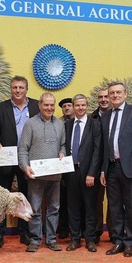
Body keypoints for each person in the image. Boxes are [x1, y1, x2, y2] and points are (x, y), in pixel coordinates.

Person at [0, 75, 39, 248]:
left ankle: (24, 233)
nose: (17, 90)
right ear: (11, 89)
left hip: (28, 160)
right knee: (2, 199)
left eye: (21, 88)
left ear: (26, 89)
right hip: (6, 159)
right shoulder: (0, 108)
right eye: (15, 87)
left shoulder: (35, 106)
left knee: (26, 197)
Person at [99, 81, 132, 258]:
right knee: (114, 207)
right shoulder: (105, 116)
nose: (115, 95)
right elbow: (104, 146)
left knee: (131, 206)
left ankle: (130, 241)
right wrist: (103, 170)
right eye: (112, 93)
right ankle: (118, 240)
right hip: (112, 167)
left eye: (118, 92)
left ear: (125, 94)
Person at [18, 92, 66, 252]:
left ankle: (51, 239)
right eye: (46, 105)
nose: (49, 108)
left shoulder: (60, 124)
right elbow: (22, 150)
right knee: (35, 209)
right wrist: (25, 167)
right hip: (35, 176)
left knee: (54, 209)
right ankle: (35, 240)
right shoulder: (30, 124)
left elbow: (63, 146)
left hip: (55, 176)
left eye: (52, 105)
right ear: (39, 105)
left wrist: (62, 154)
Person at [64, 94, 101, 253]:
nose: (80, 108)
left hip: (88, 173)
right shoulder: (67, 124)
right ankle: (75, 239)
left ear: (87, 106)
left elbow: (98, 151)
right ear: (73, 106)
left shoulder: (95, 124)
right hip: (71, 170)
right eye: (77, 105)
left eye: (83, 105)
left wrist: (92, 173)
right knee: (73, 207)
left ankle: (90, 239)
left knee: (90, 207)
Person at [91, 88, 110, 243]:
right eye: (100, 97)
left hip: (114, 164)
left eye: (106, 96)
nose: (104, 99)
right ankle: (96, 231)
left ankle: (113, 231)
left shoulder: (119, 116)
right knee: (97, 200)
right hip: (97, 165)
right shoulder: (92, 118)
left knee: (115, 200)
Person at [57, 97, 73, 239]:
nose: (67, 108)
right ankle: (62, 228)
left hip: (77, 165)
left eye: (69, 105)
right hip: (61, 166)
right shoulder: (58, 123)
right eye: (64, 106)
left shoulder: (80, 122)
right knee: (62, 200)